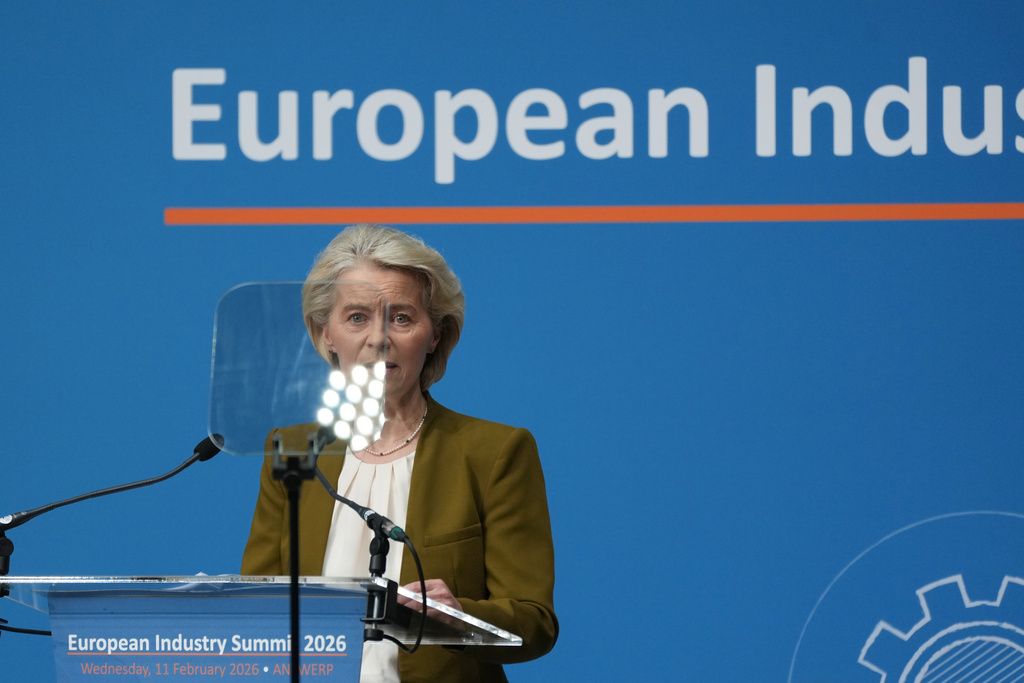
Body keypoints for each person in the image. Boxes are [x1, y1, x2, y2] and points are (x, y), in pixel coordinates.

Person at [241, 224, 558, 683]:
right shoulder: (292, 453)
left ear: (434, 335)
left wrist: (455, 616)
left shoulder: (494, 453)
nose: (378, 338)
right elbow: (258, 610)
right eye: (356, 317)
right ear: (326, 333)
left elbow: (535, 625)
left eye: (402, 318)